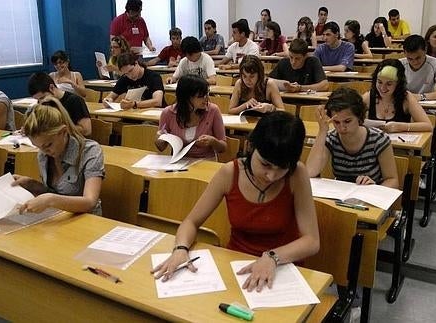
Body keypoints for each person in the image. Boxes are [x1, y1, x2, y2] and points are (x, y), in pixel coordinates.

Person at [151, 111, 320, 292]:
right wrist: (180, 249)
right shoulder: (230, 173)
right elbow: (191, 222)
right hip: (236, 264)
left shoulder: (297, 174)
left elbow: (311, 241)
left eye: (282, 168)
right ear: (250, 146)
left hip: (283, 268)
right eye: (265, 164)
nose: (271, 176)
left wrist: (272, 257)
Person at [12, 96, 104, 215]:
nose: (44, 151)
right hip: (57, 216)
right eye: (39, 147)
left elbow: (90, 201)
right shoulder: (43, 154)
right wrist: (33, 185)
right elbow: (54, 191)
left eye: (48, 145)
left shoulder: (90, 151)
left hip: (87, 219)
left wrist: (50, 200)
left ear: (63, 132)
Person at [306, 87, 399, 188]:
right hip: (340, 196)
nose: (342, 127)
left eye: (347, 121)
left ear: (359, 117)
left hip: (370, 197)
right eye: (336, 122)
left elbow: (393, 181)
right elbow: (310, 172)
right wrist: (323, 131)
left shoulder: (378, 139)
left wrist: (375, 187)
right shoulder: (331, 138)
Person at [156, 75, 226, 160]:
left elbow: (223, 147)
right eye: (200, 96)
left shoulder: (213, 111)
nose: (206, 98)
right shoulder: (168, 113)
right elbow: (161, 148)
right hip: (178, 161)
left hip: (205, 161)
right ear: (186, 97)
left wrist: (213, 141)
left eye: (207, 94)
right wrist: (160, 139)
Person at [362, 59, 432, 133]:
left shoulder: (407, 98)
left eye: (389, 84)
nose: (383, 88)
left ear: (398, 84)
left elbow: (428, 126)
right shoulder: (369, 96)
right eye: (379, 82)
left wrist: (400, 126)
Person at [27, 72, 92, 137]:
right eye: (38, 100)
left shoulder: (75, 101)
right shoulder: (44, 103)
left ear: (52, 88)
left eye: (42, 97)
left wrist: (57, 130)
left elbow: (87, 130)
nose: (41, 102)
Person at [400, 35, 436, 101]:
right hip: (405, 105)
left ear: (425, 50)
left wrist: (420, 97)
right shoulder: (400, 64)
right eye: (410, 59)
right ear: (404, 53)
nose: (414, 62)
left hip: (427, 106)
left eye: (418, 58)